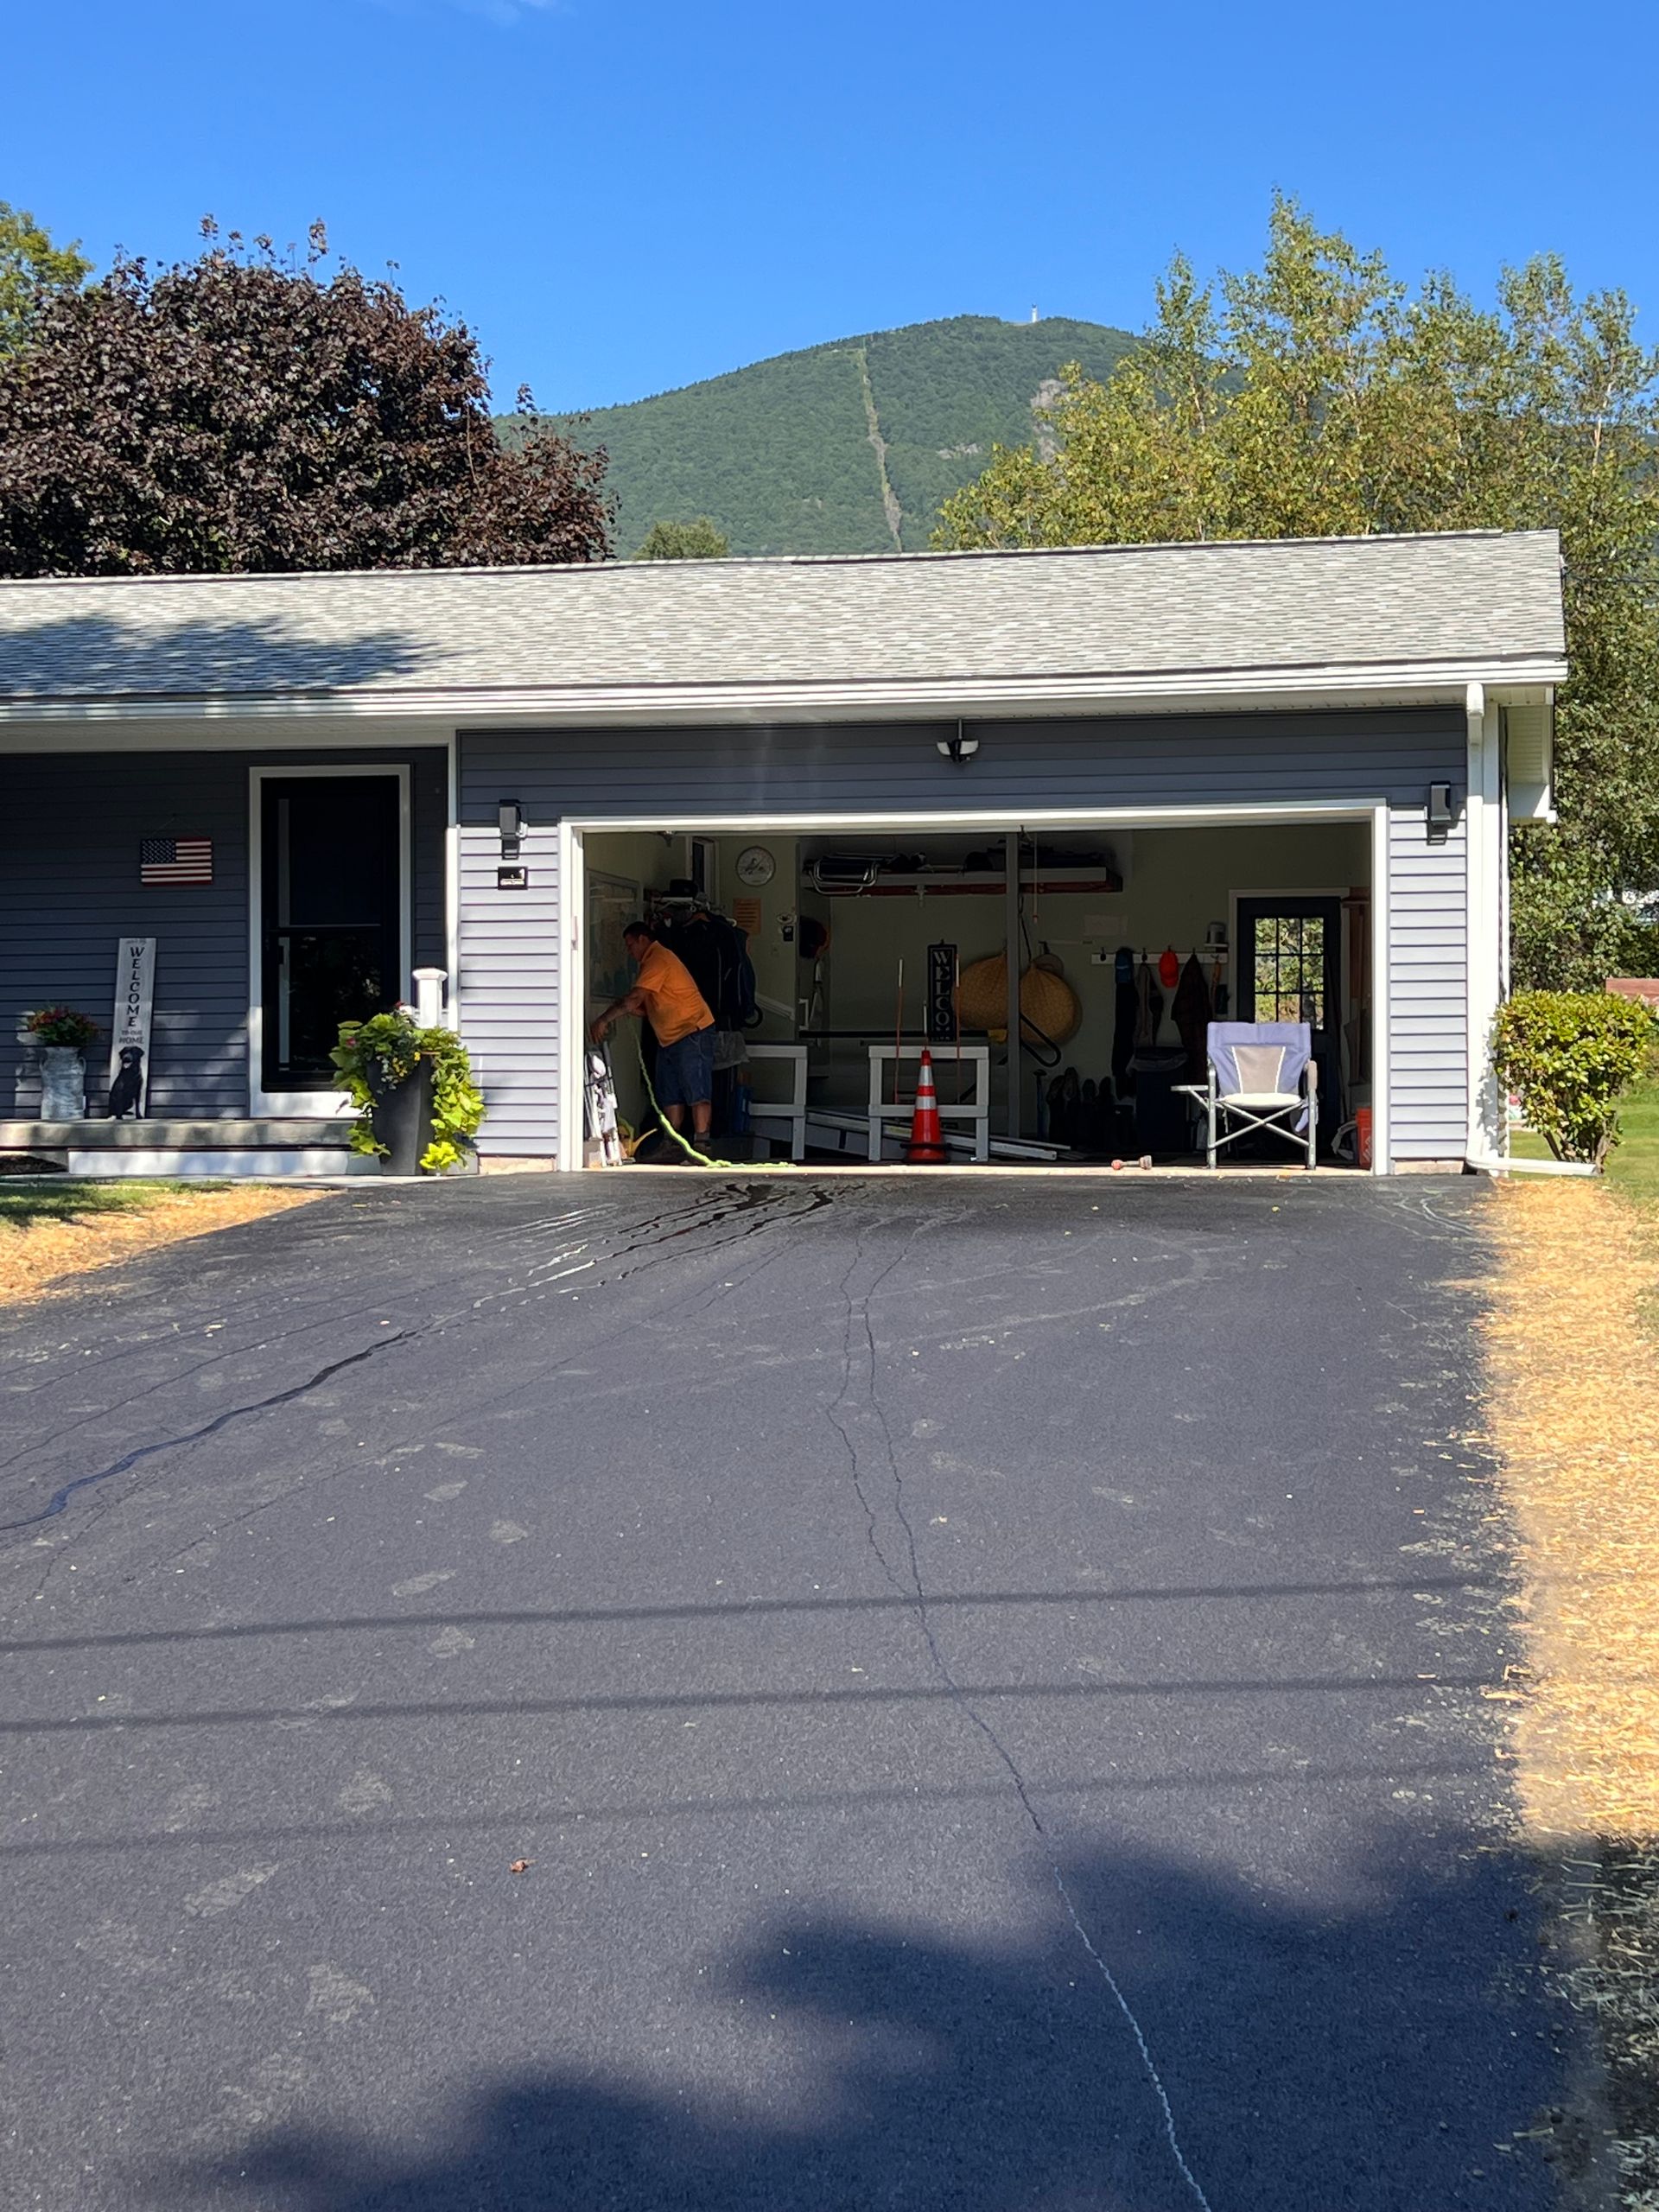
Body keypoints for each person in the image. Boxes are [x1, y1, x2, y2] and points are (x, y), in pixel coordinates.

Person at [590, 921, 716, 1148]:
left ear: (643, 940)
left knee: (697, 1090)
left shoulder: (659, 959)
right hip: (669, 1038)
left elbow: (636, 998)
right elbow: (647, 1003)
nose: (630, 952)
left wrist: (604, 1019)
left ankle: (701, 1144)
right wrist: (633, 1009)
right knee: (670, 1093)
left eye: (630, 946)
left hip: (692, 1031)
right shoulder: (650, 962)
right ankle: (672, 1145)